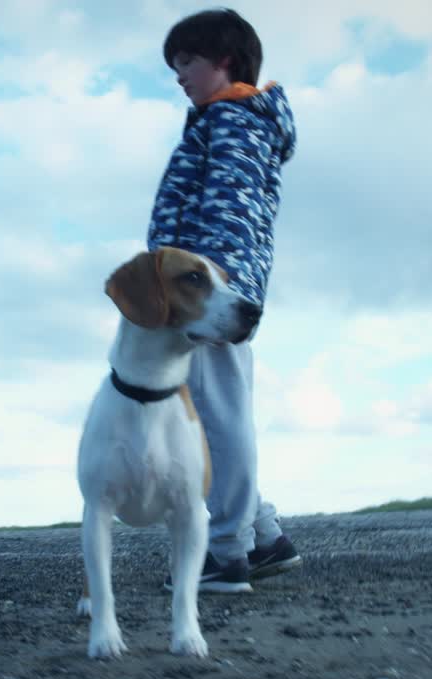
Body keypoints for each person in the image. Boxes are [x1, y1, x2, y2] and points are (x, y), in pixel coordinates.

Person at [151, 8, 301, 593]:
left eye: (186, 62)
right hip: (211, 291)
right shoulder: (228, 121)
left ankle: (227, 552)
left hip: (212, 294)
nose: (178, 76)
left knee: (216, 419)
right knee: (214, 415)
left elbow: (230, 213)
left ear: (225, 61)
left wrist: (204, 295)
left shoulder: (234, 120)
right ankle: (264, 538)